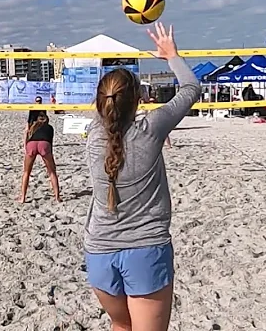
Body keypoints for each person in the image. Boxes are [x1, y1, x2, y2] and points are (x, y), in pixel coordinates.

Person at [83, 22, 200, 330]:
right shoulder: (150, 130)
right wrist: (171, 55)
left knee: (121, 326)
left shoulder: (93, 135)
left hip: (99, 253)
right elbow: (191, 89)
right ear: (138, 100)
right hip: (145, 250)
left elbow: (110, 107)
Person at [20, 111, 61, 203]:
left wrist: (26, 147)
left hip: (31, 144)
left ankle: (22, 197)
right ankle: (57, 197)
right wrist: (50, 155)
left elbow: (27, 136)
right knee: (52, 172)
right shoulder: (50, 128)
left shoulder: (32, 127)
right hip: (44, 144)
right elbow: (50, 142)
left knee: (26, 172)